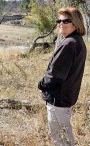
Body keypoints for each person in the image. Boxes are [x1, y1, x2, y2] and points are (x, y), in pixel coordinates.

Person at [38, 7, 86, 146]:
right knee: (64, 138)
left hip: (58, 100)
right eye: (59, 20)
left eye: (66, 21)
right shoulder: (77, 41)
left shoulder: (69, 44)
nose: (61, 23)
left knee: (61, 140)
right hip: (64, 98)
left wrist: (41, 84)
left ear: (76, 23)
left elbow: (55, 76)